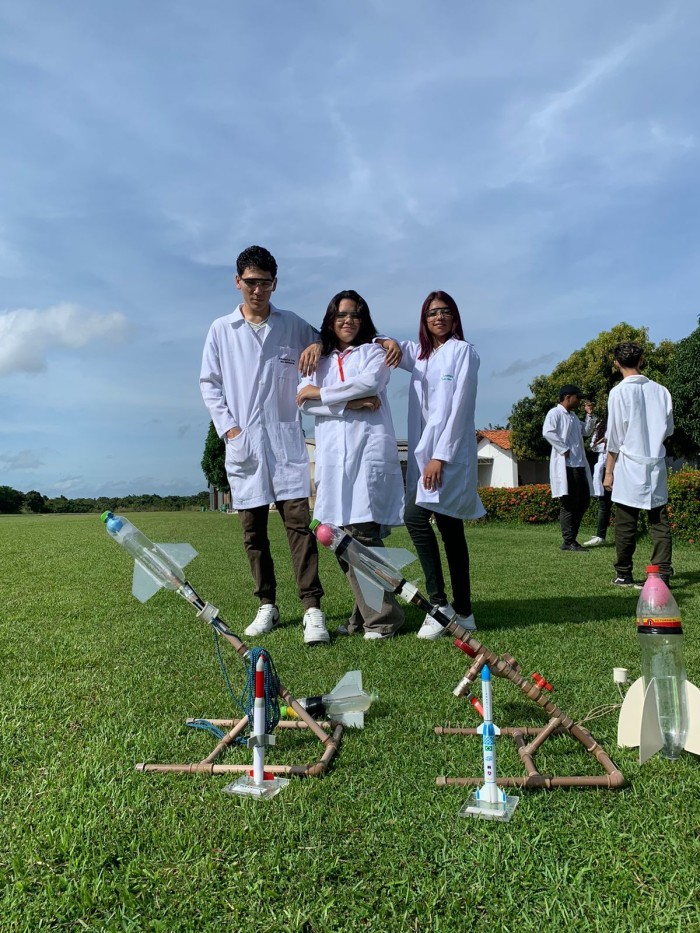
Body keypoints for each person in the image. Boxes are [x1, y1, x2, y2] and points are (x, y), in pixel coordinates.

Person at [199, 245, 330, 645]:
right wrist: (230, 432)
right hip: (245, 443)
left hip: (286, 438)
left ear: (276, 284)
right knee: (253, 531)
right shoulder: (222, 330)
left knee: (298, 527)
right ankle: (267, 605)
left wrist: (319, 345)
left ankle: (312, 608)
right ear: (238, 282)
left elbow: (330, 341)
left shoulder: (292, 325)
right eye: (251, 282)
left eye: (265, 283)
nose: (258, 291)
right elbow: (209, 383)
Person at [296, 290, 405, 640]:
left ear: (364, 320)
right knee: (338, 536)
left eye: (355, 315)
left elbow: (370, 382)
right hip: (332, 459)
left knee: (363, 537)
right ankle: (363, 618)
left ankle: (384, 619)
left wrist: (322, 394)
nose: (348, 321)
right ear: (330, 319)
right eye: (341, 315)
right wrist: (349, 405)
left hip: (366, 455)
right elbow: (302, 401)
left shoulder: (375, 352)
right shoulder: (319, 360)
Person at [394, 291, 484, 640]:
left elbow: (461, 407)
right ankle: (464, 612)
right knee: (449, 528)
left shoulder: (463, 352)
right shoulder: (421, 355)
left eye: (445, 311)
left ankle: (440, 605)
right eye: (432, 313)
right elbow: (389, 346)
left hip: (446, 457)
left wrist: (439, 456)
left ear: (454, 317)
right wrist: (382, 341)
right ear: (424, 319)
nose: (439, 317)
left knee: (415, 517)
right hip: (425, 456)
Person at [603, 342, 674, 587]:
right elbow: (668, 430)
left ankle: (624, 573)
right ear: (641, 360)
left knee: (625, 522)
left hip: (629, 463)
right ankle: (662, 573)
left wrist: (608, 472)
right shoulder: (661, 391)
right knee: (659, 521)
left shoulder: (618, 392)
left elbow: (614, 437)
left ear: (616, 363)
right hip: (654, 461)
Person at [542, 386, 594, 551]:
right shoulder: (555, 413)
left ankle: (572, 538)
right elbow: (548, 432)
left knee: (583, 501)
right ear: (567, 397)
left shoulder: (572, 416)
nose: (578, 401)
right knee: (569, 503)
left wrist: (589, 414)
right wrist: (563, 448)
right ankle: (568, 540)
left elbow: (586, 431)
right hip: (566, 466)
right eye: (577, 397)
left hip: (579, 465)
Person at [582, 410, 613, 547]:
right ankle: (601, 535)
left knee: (624, 503)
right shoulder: (602, 425)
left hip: (621, 467)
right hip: (605, 467)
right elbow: (593, 446)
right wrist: (604, 444)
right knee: (604, 503)